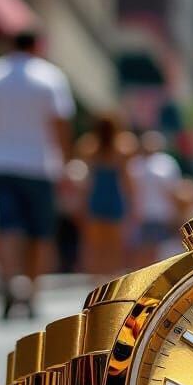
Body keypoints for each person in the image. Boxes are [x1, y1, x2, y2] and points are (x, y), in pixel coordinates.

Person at [0, 27, 74, 319]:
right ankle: (32, 291)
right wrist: (65, 164)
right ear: (37, 44)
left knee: (7, 227)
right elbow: (61, 124)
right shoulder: (50, 77)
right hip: (41, 166)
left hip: (0, 164)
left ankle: (9, 281)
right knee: (39, 233)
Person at [79, 115, 134, 276]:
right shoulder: (121, 150)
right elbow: (126, 180)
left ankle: (97, 277)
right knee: (114, 245)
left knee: (95, 245)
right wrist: (132, 202)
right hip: (114, 198)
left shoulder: (89, 148)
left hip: (96, 198)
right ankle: (111, 276)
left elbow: (87, 180)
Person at [128, 131, 184, 264]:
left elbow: (173, 190)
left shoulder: (166, 163)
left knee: (160, 250)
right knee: (143, 250)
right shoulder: (135, 164)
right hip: (143, 215)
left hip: (162, 214)